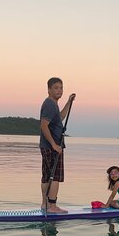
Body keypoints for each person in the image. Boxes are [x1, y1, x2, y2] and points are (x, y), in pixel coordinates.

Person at [39, 77, 76, 213]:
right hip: (52, 147)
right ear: (49, 90)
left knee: (47, 175)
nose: (59, 90)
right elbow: (43, 125)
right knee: (55, 176)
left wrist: (68, 102)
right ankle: (52, 206)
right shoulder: (49, 104)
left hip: (48, 146)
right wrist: (54, 145)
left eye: (61, 88)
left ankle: (45, 204)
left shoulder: (53, 104)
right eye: (56, 88)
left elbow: (59, 118)